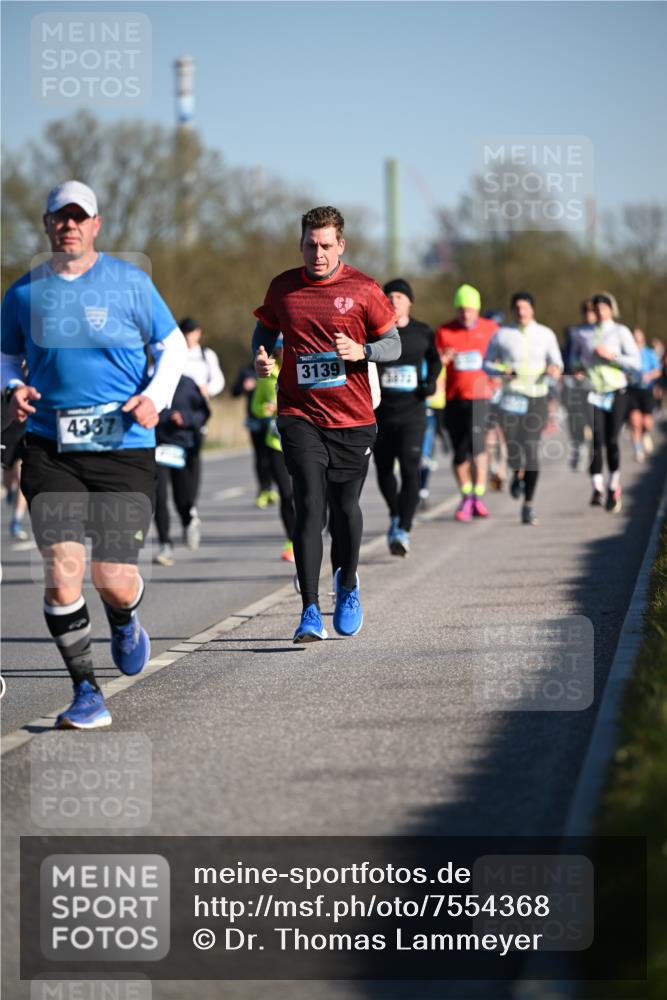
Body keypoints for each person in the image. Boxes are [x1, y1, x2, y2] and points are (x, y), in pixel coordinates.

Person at [0, 180, 186, 728]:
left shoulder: (130, 283)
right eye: (60, 217)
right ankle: (87, 693)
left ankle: (124, 618)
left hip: (123, 446)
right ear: (46, 224)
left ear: (96, 225)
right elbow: (4, 356)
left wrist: (155, 397)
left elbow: (172, 346)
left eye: (79, 217)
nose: (70, 225)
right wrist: (13, 387)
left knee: (112, 579)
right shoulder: (24, 293)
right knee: (62, 573)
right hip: (51, 448)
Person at [252, 205, 400, 642]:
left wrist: (362, 351)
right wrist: (262, 357)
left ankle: (348, 585)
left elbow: (393, 343)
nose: (318, 254)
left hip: (353, 417)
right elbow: (264, 330)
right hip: (299, 414)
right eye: (310, 245)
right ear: (300, 244)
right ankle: (309, 610)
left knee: (345, 508)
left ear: (341, 246)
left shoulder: (363, 289)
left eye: (326, 246)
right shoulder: (283, 288)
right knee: (310, 504)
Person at [483, 292, 563, 525]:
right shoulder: (502, 334)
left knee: (531, 447)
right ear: (512, 310)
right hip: (511, 398)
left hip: (537, 397)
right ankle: (517, 473)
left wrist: (554, 369)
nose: (521, 312)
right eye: (517, 308)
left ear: (532, 309)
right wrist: (502, 370)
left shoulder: (545, 334)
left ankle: (528, 504)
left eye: (525, 307)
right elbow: (486, 363)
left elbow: (557, 361)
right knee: (513, 448)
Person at [373, 279, 440, 556]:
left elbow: (435, 360)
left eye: (399, 296)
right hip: (381, 413)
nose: (394, 300)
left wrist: (430, 383)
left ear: (409, 301)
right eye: (389, 296)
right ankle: (395, 514)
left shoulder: (422, 331)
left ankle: (403, 529)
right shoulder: (375, 332)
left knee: (411, 469)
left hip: (413, 412)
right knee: (384, 470)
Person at [569, 293, 640, 512]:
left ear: (611, 309)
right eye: (596, 308)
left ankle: (613, 485)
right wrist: (577, 367)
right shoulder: (582, 333)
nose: (599, 312)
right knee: (596, 438)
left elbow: (635, 363)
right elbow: (573, 357)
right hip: (592, 392)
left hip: (616, 391)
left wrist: (612, 356)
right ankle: (597, 488)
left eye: (603, 308)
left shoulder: (620, 331)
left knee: (611, 439)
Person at [435, 284, 499, 521]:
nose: (465, 313)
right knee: (459, 452)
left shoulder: (491, 329)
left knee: (478, 448)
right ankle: (466, 496)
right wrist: (443, 360)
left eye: (469, 309)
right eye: (461, 309)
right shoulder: (444, 331)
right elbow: (435, 364)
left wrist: (500, 376)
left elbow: (503, 357)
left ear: (477, 309)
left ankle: (477, 497)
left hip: (481, 398)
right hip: (454, 398)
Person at [153, 374, 211, 566]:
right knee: (159, 498)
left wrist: (185, 418)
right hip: (156, 447)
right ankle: (165, 544)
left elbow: (204, 413)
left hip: (182, 448)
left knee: (183, 498)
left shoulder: (187, 384)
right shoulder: (150, 380)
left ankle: (188, 521)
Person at [177, 316, 225, 546]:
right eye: (185, 332)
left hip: (197, 414)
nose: (189, 336)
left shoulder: (207, 355)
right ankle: (184, 505)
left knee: (193, 459)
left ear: (198, 333)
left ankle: (191, 503)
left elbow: (218, 381)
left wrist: (207, 389)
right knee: (174, 465)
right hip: (174, 416)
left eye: (192, 332)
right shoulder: (173, 352)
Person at [249, 336, 297, 562]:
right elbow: (255, 406)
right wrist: (265, 410)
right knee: (286, 494)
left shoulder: (303, 368)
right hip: (276, 442)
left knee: (307, 492)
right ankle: (292, 540)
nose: (282, 352)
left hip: (302, 441)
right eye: (279, 349)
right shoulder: (267, 375)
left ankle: (312, 528)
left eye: (285, 347)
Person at [231, 360, 275, 506]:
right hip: (255, 420)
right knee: (260, 456)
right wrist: (243, 387)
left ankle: (273, 487)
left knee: (274, 456)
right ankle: (263, 489)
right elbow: (234, 392)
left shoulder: (276, 366)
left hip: (273, 419)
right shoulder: (247, 370)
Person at [562, 299, 596, 471]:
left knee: (594, 422)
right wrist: (574, 369)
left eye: (592, 311)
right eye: (586, 311)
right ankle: (579, 447)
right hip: (576, 384)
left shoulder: (606, 333)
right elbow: (568, 357)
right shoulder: (575, 333)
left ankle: (595, 452)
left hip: (598, 387)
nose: (589, 314)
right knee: (575, 419)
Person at [627, 328, 661, 462]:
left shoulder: (649, 353)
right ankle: (638, 450)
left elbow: (658, 371)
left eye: (638, 337)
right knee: (635, 422)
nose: (636, 339)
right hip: (632, 391)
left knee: (646, 422)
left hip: (647, 391)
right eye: (634, 337)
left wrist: (649, 376)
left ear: (643, 338)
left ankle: (645, 433)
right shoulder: (628, 353)